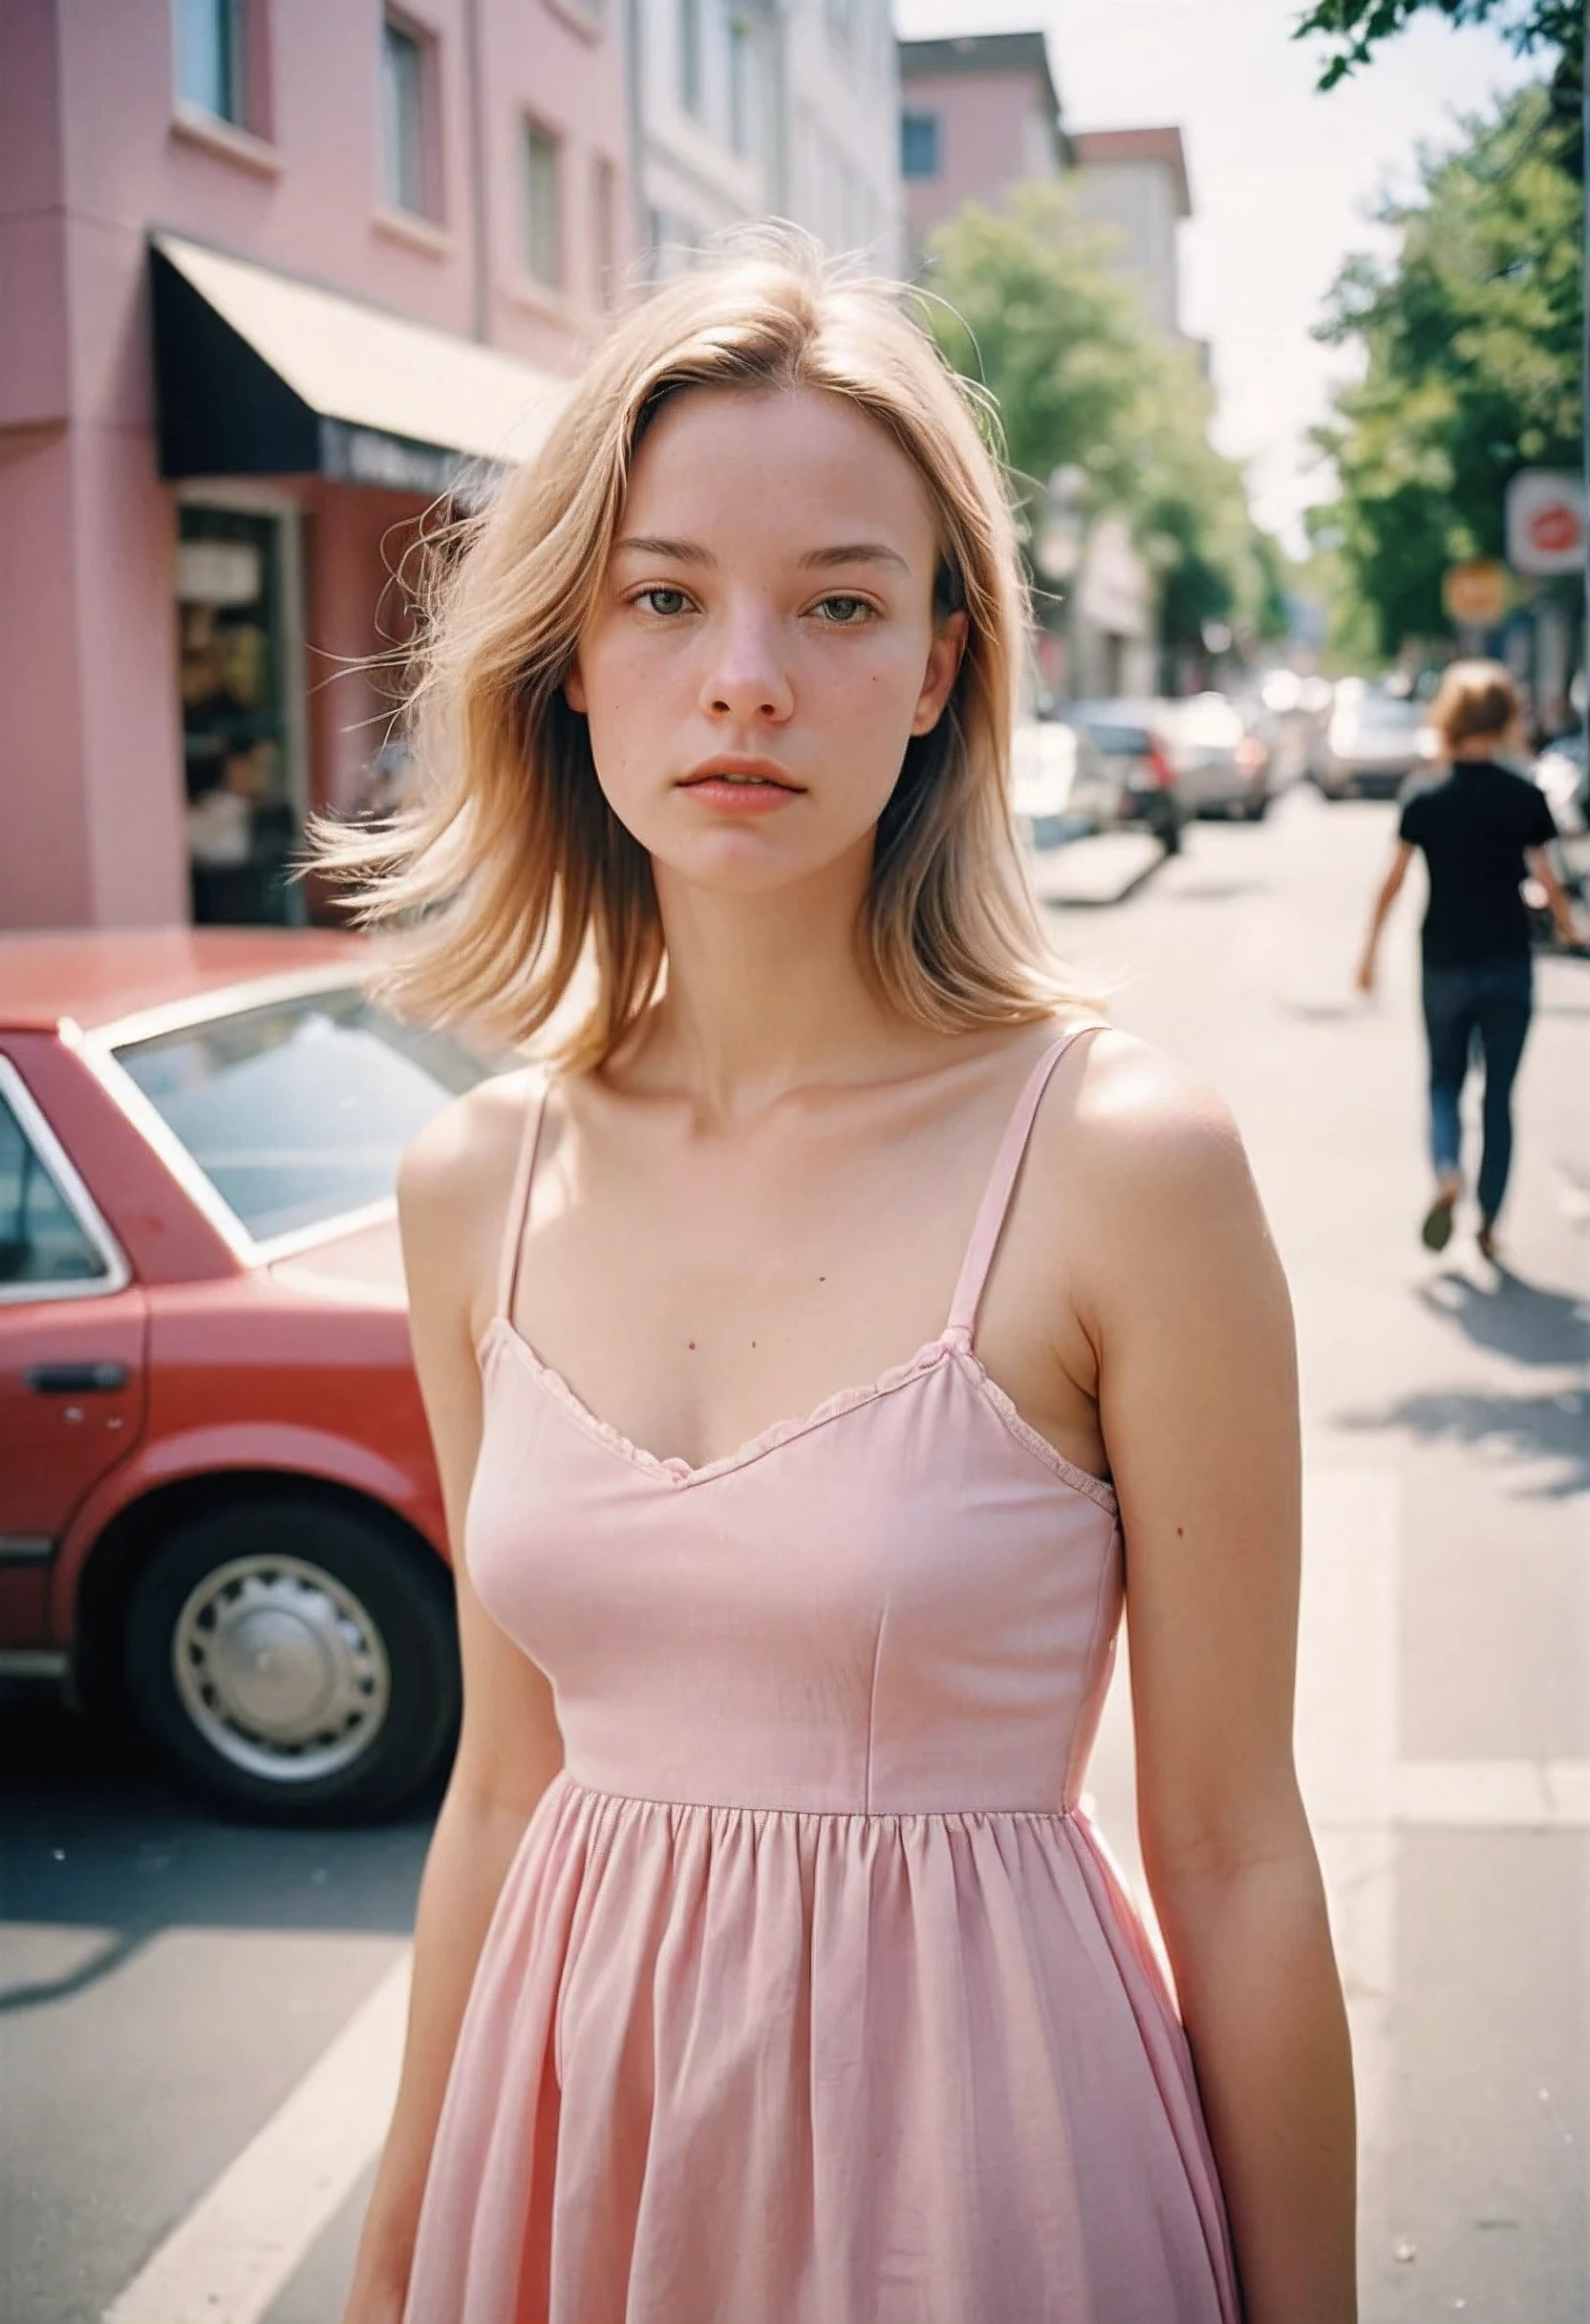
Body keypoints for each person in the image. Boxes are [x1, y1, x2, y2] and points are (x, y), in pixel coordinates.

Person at [322, 234, 1355, 2324]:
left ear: (943, 664)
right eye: (667, 593)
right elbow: (503, 1790)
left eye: (842, 603)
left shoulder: (1118, 1160)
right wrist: (396, 2261)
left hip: (985, 2195)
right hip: (574, 2173)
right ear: (569, 654)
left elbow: (1234, 1847)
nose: (748, 680)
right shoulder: (471, 1188)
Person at [1355, 660, 1581, 1259]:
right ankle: (1488, 1224)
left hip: (1444, 961)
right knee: (1499, 1098)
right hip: (1508, 959)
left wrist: (1368, 955)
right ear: (1506, 718)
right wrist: (1571, 930)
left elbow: (1392, 882)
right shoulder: (1524, 796)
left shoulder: (1425, 794)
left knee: (1443, 1082)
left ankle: (1448, 1169)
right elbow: (1547, 878)